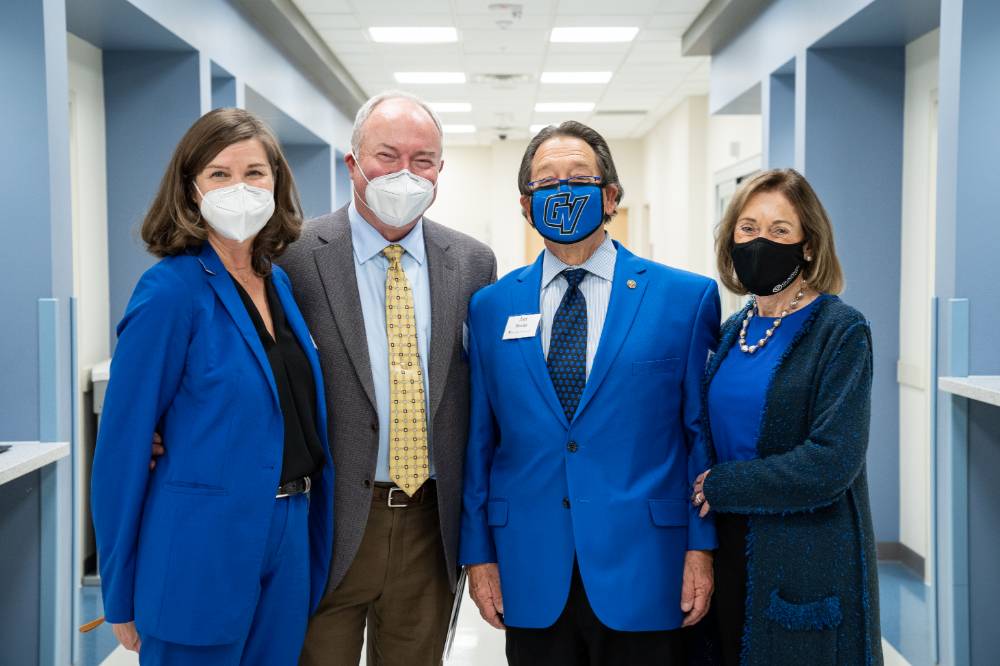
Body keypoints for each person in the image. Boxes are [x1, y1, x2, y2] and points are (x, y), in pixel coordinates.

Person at [459, 121, 719, 666]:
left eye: (579, 179)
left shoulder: (683, 299)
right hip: (529, 562)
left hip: (647, 562)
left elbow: (699, 437)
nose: (563, 191)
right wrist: (478, 555)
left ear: (611, 196)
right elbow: (480, 442)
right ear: (526, 205)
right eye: (545, 182)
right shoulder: (490, 308)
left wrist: (701, 547)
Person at [91, 108, 334, 665]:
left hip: (289, 531)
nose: (239, 187)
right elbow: (123, 446)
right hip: (200, 543)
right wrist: (119, 589)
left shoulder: (279, 282)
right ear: (190, 188)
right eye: (219, 174)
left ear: (276, 182)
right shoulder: (169, 291)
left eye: (254, 173)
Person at [279, 91, 497, 665]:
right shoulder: (292, 257)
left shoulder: (473, 263)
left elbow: (481, 394)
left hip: (430, 521)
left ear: (440, 170)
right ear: (353, 163)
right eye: (387, 156)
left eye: (423, 160)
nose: (405, 174)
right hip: (329, 519)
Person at [691, 168, 882, 665]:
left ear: (808, 246)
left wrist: (724, 485)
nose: (761, 242)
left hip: (804, 555)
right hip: (727, 545)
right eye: (748, 228)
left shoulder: (840, 331)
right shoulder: (733, 329)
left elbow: (832, 462)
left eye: (780, 231)